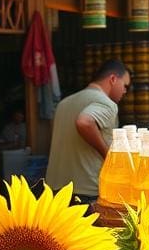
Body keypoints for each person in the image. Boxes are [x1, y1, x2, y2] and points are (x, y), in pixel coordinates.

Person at [45, 59, 130, 204]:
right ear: (113, 79)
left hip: (54, 193)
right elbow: (84, 122)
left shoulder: (64, 104)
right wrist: (108, 155)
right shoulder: (107, 104)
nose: (125, 91)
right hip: (85, 195)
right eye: (125, 85)